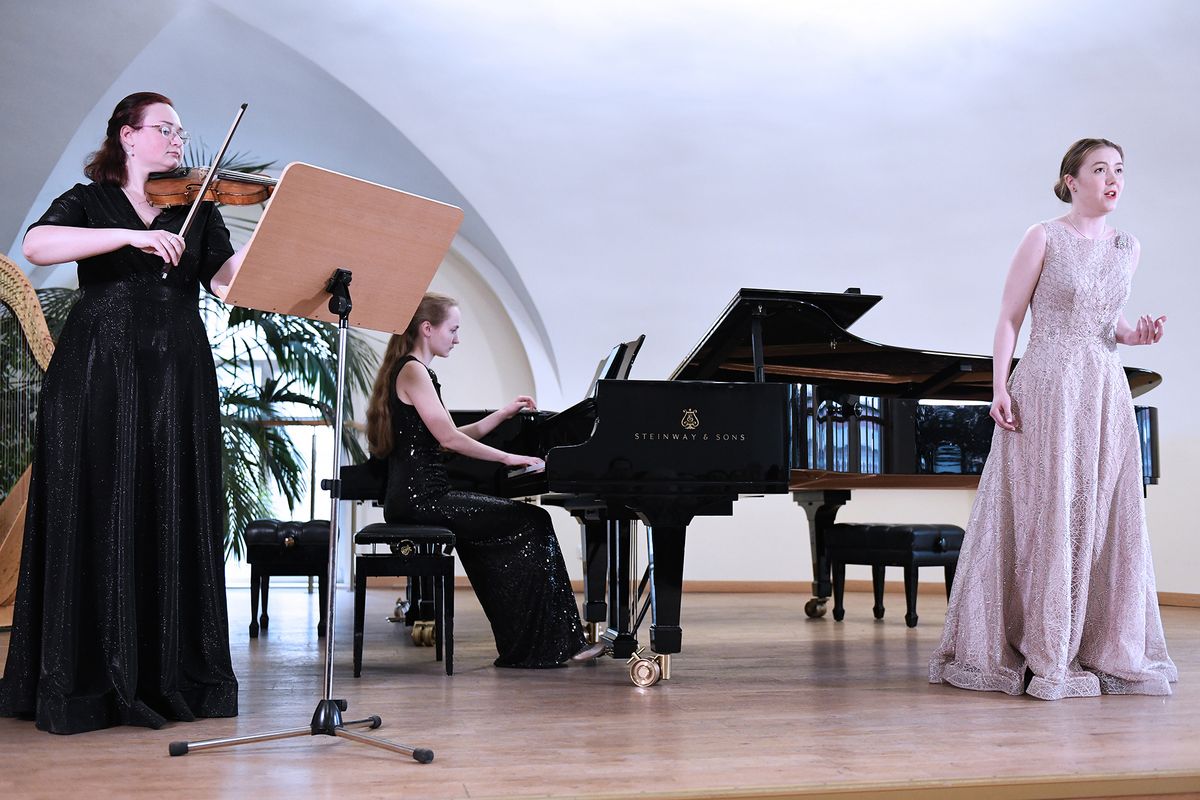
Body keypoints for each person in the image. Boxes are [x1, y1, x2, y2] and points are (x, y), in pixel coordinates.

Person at [0, 92, 247, 733]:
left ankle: (171, 675)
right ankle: (85, 682)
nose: (177, 140)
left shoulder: (199, 208)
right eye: (165, 128)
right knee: (98, 503)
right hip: (98, 371)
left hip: (177, 374)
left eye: (181, 131)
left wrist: (278, 246)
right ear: (127, 136)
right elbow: (38, 245)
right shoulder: (90, 200)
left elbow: (226, 281)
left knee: (170, 500)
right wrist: (133, 236)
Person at [929, 138, 1178, 699]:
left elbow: (1107, 322)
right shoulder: (1043, 236)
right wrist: (998, 386)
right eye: (1100, 169)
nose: (1112, 180)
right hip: (1047, 385)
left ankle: (1091, 642)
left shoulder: (1128, 246)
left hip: (1103, 390)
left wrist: (1136, 335)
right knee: (1046, 507)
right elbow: (1009, 318)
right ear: (1071, 180)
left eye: (1119, 170)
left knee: (1098, 512)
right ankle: (1037, 642)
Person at [365, 293, 605, 667]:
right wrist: (510, 457)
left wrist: (503, 413)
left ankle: (533, 643)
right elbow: (449, 440)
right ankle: (546, 644)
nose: (457, 339)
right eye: (453, 329)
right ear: (427, 329)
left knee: (514, 526)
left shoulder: (412, 370)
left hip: (420, 497)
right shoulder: (414, 371)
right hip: (422, 499)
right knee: (535, 520)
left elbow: (452, 433)